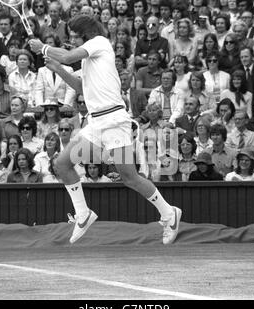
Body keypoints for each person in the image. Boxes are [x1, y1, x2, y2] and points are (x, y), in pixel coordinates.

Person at [29, 15, 182, 245]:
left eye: (74, 35)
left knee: (129, 177)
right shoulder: (88, 59)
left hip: (114, 122)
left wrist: (45, 48)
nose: (71, 40)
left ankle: (169, 213)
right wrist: (58, 69)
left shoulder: (99, 42)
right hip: (96, 125)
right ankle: (83, 214)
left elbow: (69, 54)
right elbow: (82, 87)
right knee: (62, 164)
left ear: (86, 34)